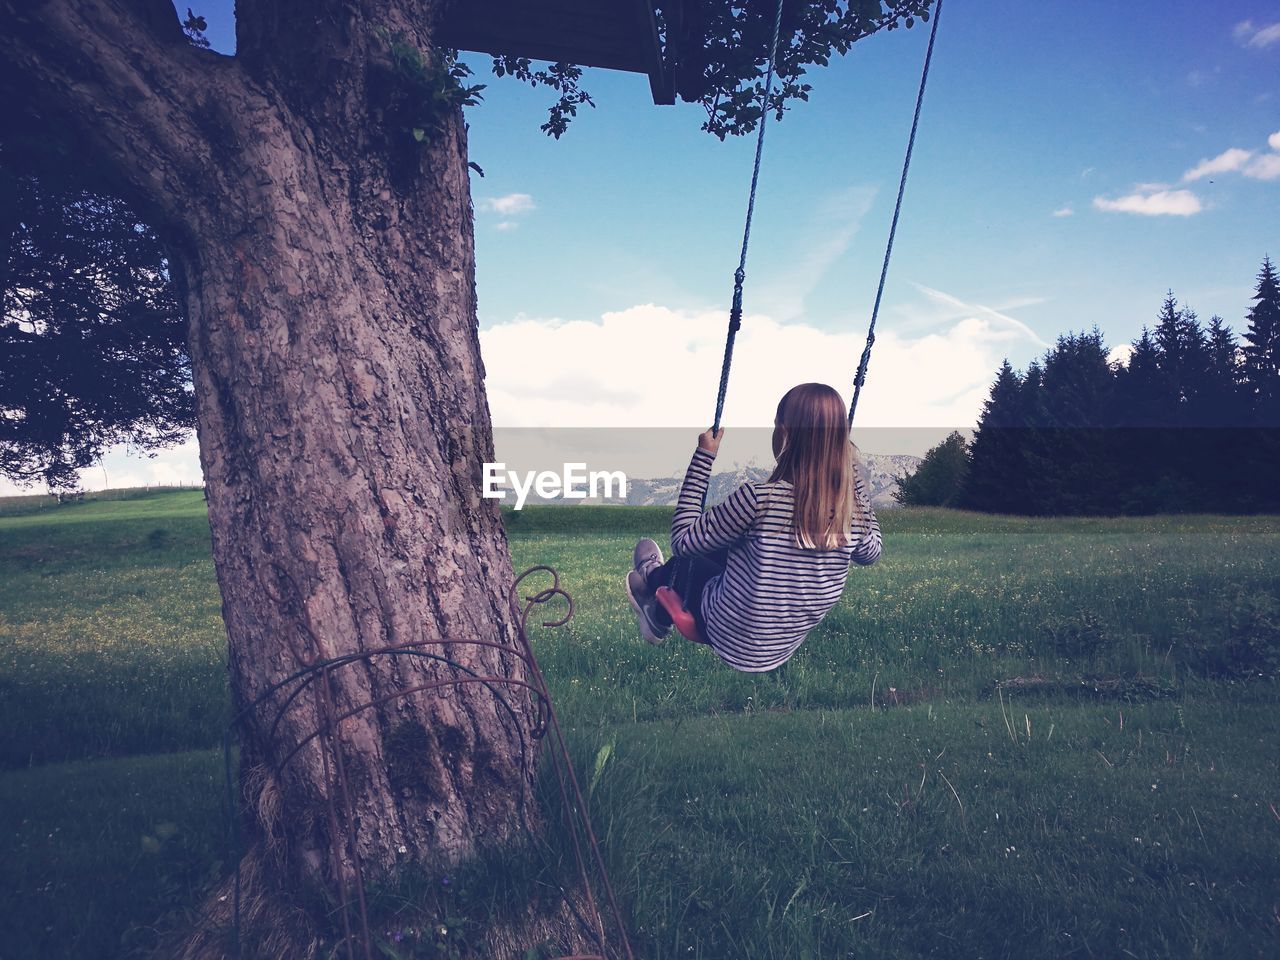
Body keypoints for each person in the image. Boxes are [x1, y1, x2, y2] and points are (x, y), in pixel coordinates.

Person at [624, 382, 882, 672]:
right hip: (780, 645)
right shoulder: (851, 513)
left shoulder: (758, 499)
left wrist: (703, 457)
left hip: (730, 633)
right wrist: (854, 484)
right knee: (732, 542)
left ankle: (653, 598)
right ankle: (656, 594)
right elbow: (870, 554)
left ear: (783, 433)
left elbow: (683, 540)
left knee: (684, 562)